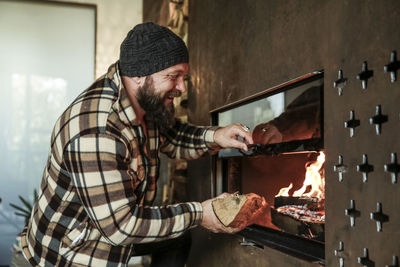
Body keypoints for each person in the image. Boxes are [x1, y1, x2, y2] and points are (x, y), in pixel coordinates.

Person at [20, 22, 253, 266]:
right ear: (139, 75)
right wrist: (200, 214)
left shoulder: (144, 96)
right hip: (71, 255)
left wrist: (216, 136)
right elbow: (121, 227)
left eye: (183, 77)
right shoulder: (97, 132)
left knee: (177, 239)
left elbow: (170, 136)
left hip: (111, 231)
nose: (182, 88)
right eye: (173, 77)